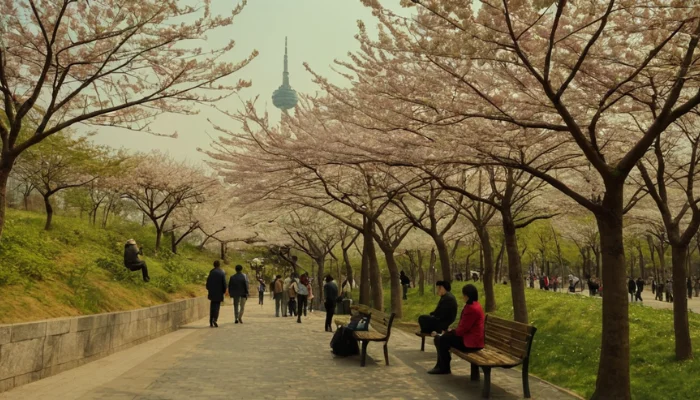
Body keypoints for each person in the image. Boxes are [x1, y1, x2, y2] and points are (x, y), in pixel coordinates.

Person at [428, 284, 485, 375]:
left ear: (467, 296)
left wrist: (451, 332)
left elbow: (463, 329)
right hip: (471, 338)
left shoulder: (472, 308)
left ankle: (444, 367)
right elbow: (464, 326)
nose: (463, 297)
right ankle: (441, 366)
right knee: (441, 338)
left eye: (463, 295)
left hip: (471, 342)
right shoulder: (474, 305)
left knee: (443, 339)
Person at [205, 260, 226, 328]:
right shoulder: (221, 272)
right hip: (219, 292)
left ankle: (211, 321)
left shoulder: (211, 272)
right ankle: (215, 319)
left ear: (213, 265)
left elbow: (208, 282)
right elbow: (224, 283)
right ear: (219, 265)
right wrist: (224, 291)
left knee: (212, 306)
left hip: (212, 292)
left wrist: (209, 289)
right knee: (217, 307)